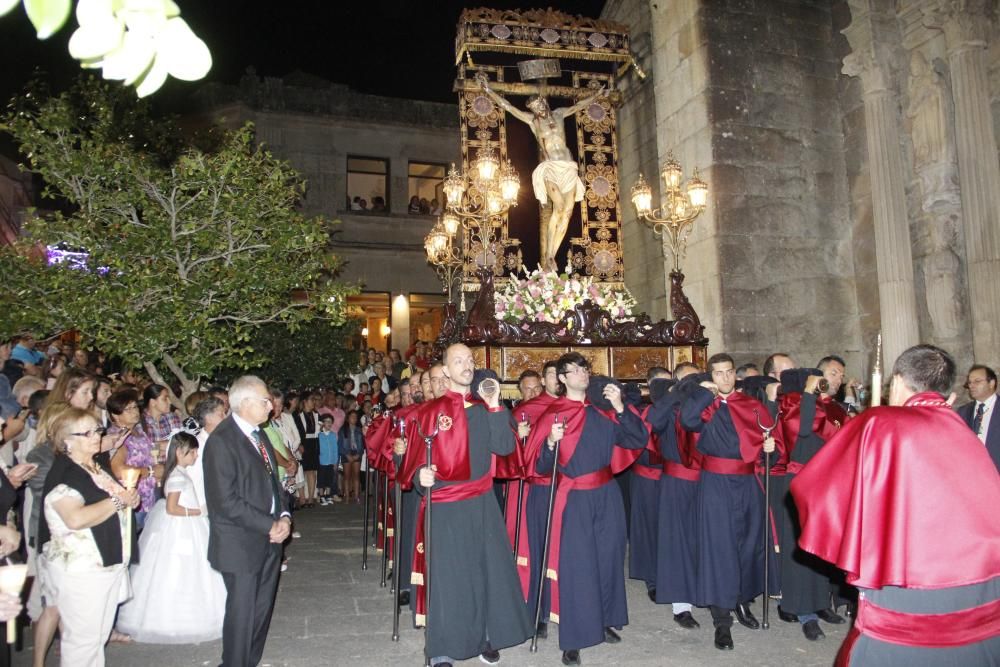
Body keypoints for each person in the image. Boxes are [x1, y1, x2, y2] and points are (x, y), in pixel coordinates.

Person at [791, 344, 1000, 665]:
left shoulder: (881, 422)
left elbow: (813, 487)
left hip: (907, 584)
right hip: (980, 592)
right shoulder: (963, 428)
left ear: (899, 383)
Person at [399, 343, 532, 666]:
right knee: (449, 579)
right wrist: (421, 477)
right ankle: (443, 648)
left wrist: (496, 405)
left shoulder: (485, 409)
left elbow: (503, 448)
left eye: (470, 360)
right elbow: (412, 464)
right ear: (445, 370)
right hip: (446, 505)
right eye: (458, 361)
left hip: (483, 502)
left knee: (486, 573)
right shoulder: (428, 413)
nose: (467, 365)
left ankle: (486, 635)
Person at [529, 355, 648, 665]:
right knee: (576, 566)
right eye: (575, 370)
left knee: (609, 558)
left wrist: (621, 407)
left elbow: (637, 438)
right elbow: (538, 466)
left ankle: (605, 619)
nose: (583, 374)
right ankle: (575, 637)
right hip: (575, 496)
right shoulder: (553, 414)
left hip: (607, 493)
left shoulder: (604, 412)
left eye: (585, 369)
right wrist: (550, 445)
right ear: (563, 379)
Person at [680, 352, 780, 651]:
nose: (725, 377)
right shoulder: (704, 405)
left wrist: (770, 449)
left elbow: (770, 451)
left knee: (748, 545)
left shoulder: (752, 405)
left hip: (748, 483)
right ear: (711, 375)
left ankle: (742, 602)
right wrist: (703, 392)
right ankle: (722, 620)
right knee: (718, 548)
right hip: (715, 484)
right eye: (718, 372)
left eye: (729, 372)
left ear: (735, 374)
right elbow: (687, 421)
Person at [36, 407, 140, 667]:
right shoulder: (66, 474)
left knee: (97, 637)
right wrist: (119, 501)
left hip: (105, 564)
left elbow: (116, 500)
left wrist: (128, 500)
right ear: (66, 441)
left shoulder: (94, 466)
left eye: (97, 429)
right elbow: (76, 518)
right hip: (82, 570)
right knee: (81, 642)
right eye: (88, 432)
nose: (97, 435)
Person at [477, 72, 606, 271]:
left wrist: (596, 95)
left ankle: (552, 255)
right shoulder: (533, 122)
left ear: (544, 103)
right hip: (551, 167)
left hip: (568, 166)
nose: (538, 110)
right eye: (534, 109)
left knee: (568, 212)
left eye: (539, 106)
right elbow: (508, 107)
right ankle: (548, 255)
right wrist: (488, 89)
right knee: (559, 206)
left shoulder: (559, 114)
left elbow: (578, 106)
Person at [204, 375, 291, 667]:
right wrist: (270, 524)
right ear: (245, 403)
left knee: (261, 609)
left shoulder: (258, 433)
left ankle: (249, 662)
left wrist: (284, 516)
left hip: (270, 538)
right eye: (265, 400)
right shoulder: (222, 441)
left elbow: (273, 480)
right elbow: (225, 502)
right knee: (242, 614)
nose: (271, 405)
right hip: (240, 542)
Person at [117, 431, 226, 643]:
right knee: (181, 567)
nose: (195, 456)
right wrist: (198, 512)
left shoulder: (178, 472)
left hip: (186, 525)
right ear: (179, 452)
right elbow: (172, 508)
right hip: (181, 527)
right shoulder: (176, 476)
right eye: (192, 452)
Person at [775, 369, 848, 641]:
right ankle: (804, 612)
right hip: (800, 479)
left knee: (820, 546)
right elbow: (803, 430)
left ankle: (820, 603)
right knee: (801, 546)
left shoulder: (828, 408)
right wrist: (807, 393)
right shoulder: (793, 403)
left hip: (824, 479)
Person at [646, 363, 703, 629]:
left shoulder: (706, 403)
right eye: (687, 380)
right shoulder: (668, 406)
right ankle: (681, 605)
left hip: (708, 480)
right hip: (677, 480)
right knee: (677, 543)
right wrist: (674, 395)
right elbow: (653, 422)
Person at [957, 364, 1000, 471]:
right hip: (973, 473)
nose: (971, 385)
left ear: (991, 383)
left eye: (977, 381)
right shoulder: (963, 412)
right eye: (970, 382)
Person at [293, 392, 321, 507]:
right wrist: (299, 444)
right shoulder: (298, 415)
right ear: (304, 401)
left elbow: (317, 431)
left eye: (314, 400)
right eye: (311, 400)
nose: (313, 402)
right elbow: (296, 431)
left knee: (312, 471)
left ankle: (310, 498)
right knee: (302, 470)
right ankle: (301, 497)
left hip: (313, 443)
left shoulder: (315, 414)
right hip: (303, 443)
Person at [339, 410, 364, 503]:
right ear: (348, 418)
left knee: (356, 475)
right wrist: (346, 454)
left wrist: (359, 454)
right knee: (347, 476)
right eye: (352, 416)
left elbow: (362, 445)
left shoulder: (359, 430)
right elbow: (340, 445)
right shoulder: (343, 430)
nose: (354, 418)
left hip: (357, 453)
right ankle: (347, 496)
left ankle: (357, 496)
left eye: (355, 416)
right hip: (346, 453)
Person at [317, 415, 341, 505]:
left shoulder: (333, 435)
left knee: (329, 479)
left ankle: (328, 496)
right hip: (322, 462)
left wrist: (335, 461)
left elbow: (335, 449)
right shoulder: (319, 435)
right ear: (322, 423)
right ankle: (322, 496)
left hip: (331, 462)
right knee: (321, 480)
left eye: (330, 421)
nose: (329, 423)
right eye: (326, 421)